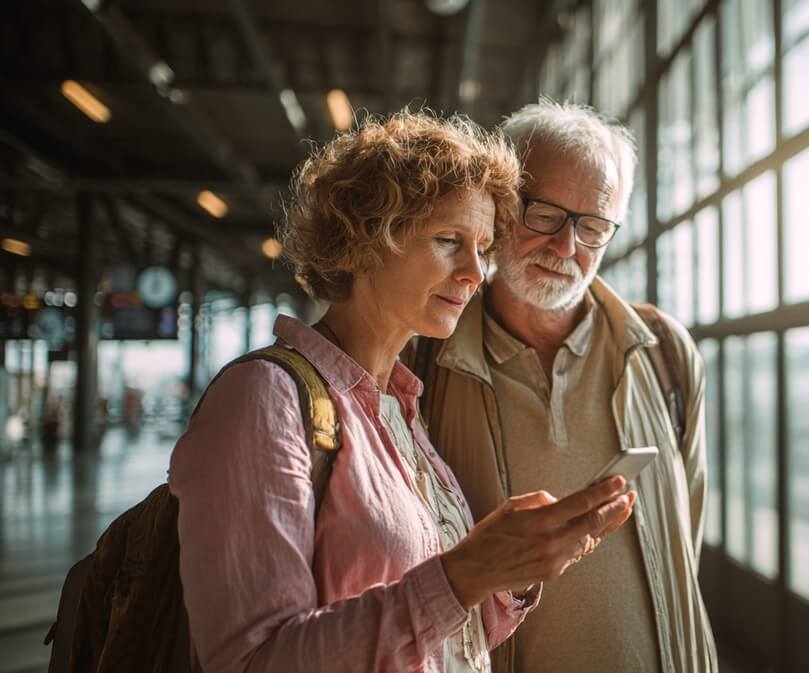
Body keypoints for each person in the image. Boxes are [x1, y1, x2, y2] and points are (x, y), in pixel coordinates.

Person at [168, 111, 637, 673]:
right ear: (367, 238)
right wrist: (466, 574)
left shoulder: (398, 407)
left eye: (483, 248)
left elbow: (441, 637)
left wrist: (510, 569)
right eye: (448, 241)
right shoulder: (263, 401)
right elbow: (252, 661)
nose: (474, 272)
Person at [404, 100, 718, 673]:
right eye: (544, 214)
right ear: (500, 207)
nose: (567, 247)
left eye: (593, 226)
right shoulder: (421, 364)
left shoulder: (665, 354)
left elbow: (685, 540)